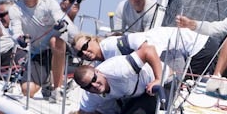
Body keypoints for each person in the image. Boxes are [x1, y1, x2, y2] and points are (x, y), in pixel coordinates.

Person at [8, 0, 68, 102]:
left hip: (58, 49)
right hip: (38, 53)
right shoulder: (15, 9)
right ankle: (47, 82)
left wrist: (61, 23)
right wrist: (21, 39)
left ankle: (57, 90)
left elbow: (60, 18)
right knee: (27, 90)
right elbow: (16, 31)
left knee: (54, 41)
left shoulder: (49, 3)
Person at [73, 26, 218, 76]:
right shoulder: (100, 64)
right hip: (200, 49)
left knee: (182, 94)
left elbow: (148, 49)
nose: (84, 52)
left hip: (200, 49)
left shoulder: (109, 45)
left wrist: (159, 76)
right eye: (80, 53)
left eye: (85, 46)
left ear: (93, 39)